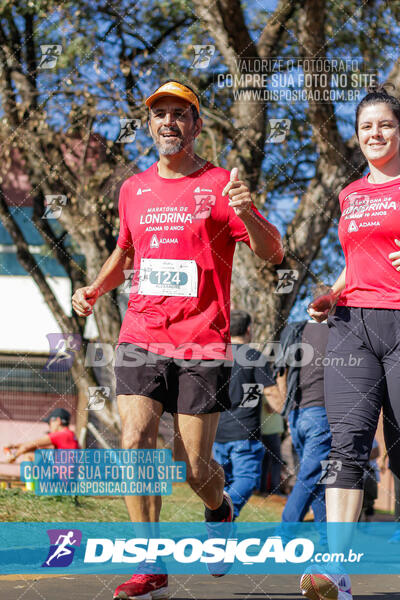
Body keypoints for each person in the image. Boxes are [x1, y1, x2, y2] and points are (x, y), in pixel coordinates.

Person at [72, 80, 284, 599]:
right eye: (159, 113)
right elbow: (126, 254)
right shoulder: (132, 189)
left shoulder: (218, 185)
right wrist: (97, 288)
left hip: (201, 342)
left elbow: (272, 252)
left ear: (196, 125)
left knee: (195, 467)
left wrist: (250, 209)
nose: (168, 121)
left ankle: (220, 508)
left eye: (179, 114)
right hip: (141, 333)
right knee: (135, 442)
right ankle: (150, 561)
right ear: (150, 124)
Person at [303, 84, 400, 600]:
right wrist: (330, 292)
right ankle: (335, 575)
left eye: (385, 124)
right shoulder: (351, 194)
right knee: (346, 447)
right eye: (366, 127)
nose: (375, 133)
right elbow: (357, 261)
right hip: (352, 326)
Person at [212, 310, 276, 519]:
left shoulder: (216, 355)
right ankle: (226, 512)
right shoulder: (254, 357)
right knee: (247, 477)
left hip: (216, 431)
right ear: (249, 330)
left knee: (221, 481)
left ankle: (222, 525)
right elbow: (270, 393)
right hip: (244, 432)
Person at [273, 320, 332, 524]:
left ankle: (326, 542)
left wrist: (287, 411)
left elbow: (281, 373)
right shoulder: (338, 331)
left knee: (319, 478)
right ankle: (284, 535)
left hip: (298, 416)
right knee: (310, 476)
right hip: (321, 416)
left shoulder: (295, 330)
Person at [7, 408, 79, 462]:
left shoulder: (61, 434)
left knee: (28, 456)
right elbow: (36, 446)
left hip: (62, 475)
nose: (49, 426)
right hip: (69, 474)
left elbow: (28, 446)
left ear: (58, 421)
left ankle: (31, 483)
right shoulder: (70, 435)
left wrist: (14, 456)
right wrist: (14, 446)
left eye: (49, 423)